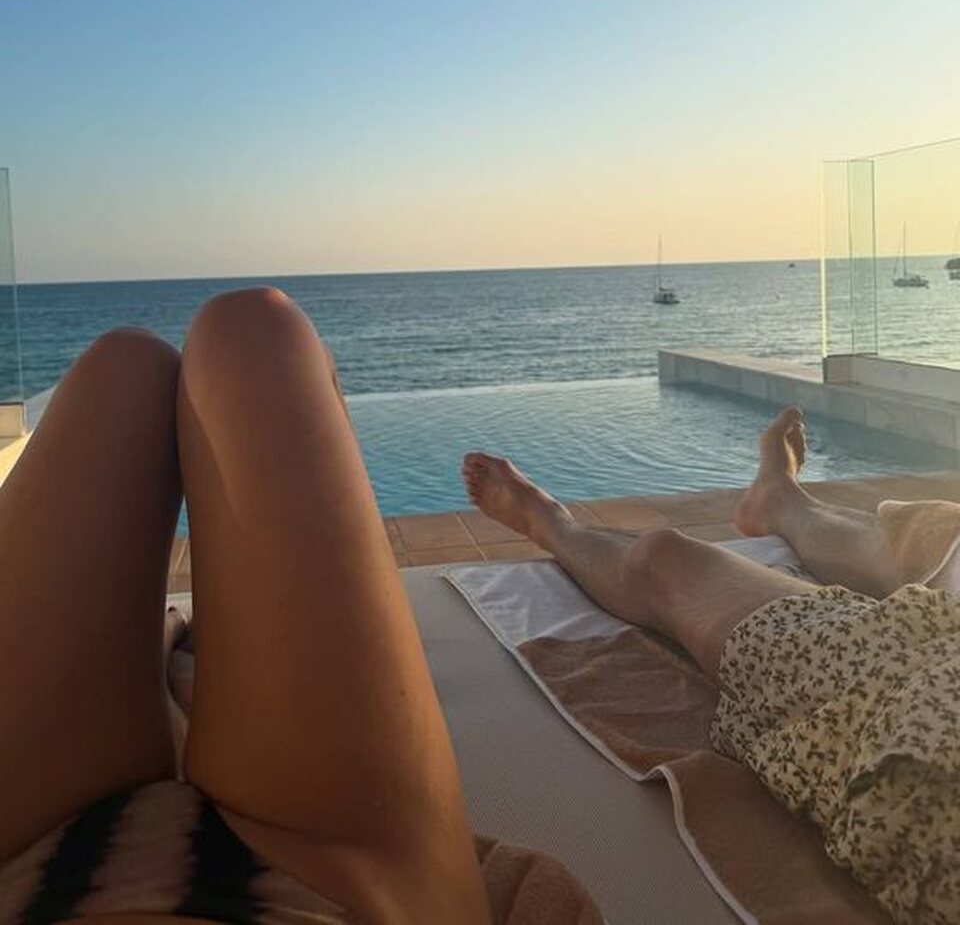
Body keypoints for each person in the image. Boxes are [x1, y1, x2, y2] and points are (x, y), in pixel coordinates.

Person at [0, 289, 600, 925]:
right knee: (255, 331)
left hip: (23, 871)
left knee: (128, 365)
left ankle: (194, 667)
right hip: (325, 891)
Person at [462, 408, 960, 925]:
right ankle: (782, 500)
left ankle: (551, 523)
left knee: (666, 559)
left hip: (931, 723)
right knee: (938, 538)